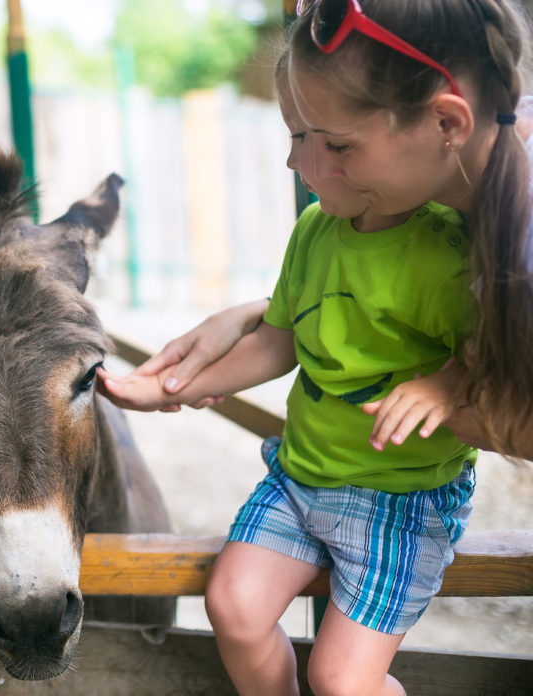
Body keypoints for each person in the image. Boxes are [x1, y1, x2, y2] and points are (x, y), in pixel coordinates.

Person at [101, 2, 533, 693]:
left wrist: (448, 392)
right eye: (300, 136)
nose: (299, 162)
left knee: (341, 679)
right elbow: (303, 324)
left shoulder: (471, 253)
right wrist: (200, 369)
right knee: (234, 606)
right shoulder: (328, 225)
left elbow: (484, 372)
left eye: (335, 145)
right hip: (305, 475)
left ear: (448, 123)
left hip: (401, 497)